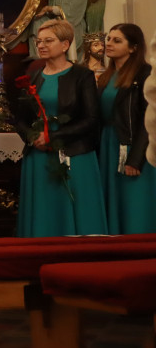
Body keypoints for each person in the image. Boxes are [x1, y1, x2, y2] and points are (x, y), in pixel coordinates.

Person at [15, 19, 107, 237]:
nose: (41, 45)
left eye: (49, 40)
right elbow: (18, 118)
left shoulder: (82, 76)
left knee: (77, 209)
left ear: (65, 45)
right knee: (44, 213)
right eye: (39, 41)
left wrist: (54, 136)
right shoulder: (33, 78)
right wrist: (32, 137)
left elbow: (92, 119)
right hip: (39, 157)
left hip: (75, 154)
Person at [98, 23, 156, 234]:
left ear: (133, 47)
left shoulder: (145, 73)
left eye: (117, 40)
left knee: (133, 200)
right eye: (109, 39)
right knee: (112, 198)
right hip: (108, 143)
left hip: (131, 145)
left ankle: (139, 246)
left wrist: (136, 157)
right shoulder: (107, 76)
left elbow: (147, 120)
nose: (109, 44)